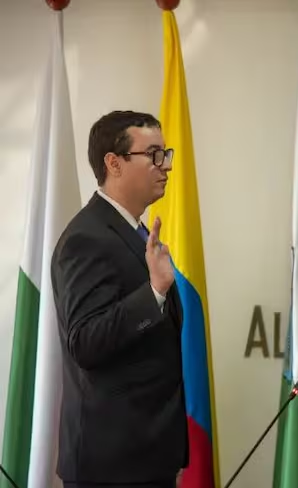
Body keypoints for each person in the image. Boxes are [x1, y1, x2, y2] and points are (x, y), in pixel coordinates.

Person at [51, 111, 188, 488]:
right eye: (154, 154)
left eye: (166, 154)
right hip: (111, 467)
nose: (166, 166)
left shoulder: (137, 233)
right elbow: (85, 342)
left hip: (147, 455)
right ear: (114, 163)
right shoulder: (86, 238)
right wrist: (154, 292)